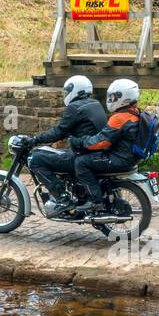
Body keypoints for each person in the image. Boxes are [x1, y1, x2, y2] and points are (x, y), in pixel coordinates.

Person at [24, 74, 106, 215]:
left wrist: (35, 140)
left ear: (76, 90)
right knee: (59, 154)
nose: (66, 94)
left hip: (84, 155)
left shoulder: (75, 108)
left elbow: (58, 132)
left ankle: (62, 198)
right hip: (96, 153)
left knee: (37, 159)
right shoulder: (95, 103)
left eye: (68, 91)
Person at [71, 78, 143, 216]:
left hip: (119, 159)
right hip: (130, 157)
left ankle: (95, 201)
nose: (110, 99)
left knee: (81, 162)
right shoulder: (135, 112)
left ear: (124, 98)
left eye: (114, 96)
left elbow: (101, 142)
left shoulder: (119, 118)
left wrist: (80, 141)